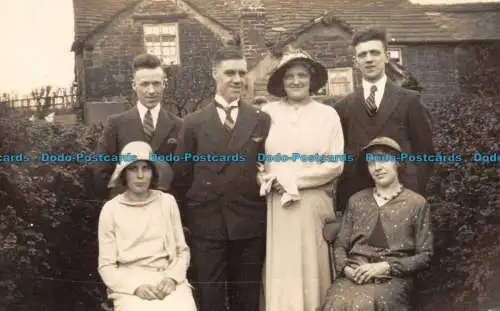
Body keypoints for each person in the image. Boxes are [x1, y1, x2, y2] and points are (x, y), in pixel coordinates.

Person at [172, 46, 271, 311]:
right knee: (211, 297)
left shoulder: (261, 119)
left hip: (248, 223)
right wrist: (191, 219)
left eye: (242, 73)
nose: (237, 79)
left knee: (247, 297)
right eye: (230, 73)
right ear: (214, 73)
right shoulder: (192, 123)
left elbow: (266, 168)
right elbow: (182, 176)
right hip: (207, 224)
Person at [258, 48, 344, 311]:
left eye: (302, 75)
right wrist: (265, 178)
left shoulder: (328, 115)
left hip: (312, 203)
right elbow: (256, 158)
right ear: (281, 81)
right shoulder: (266, 114)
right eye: (289, 76)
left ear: (312, 79)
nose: (296, 81)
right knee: (283, 266)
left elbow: (335, 164)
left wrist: (293, 180)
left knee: (311, 264)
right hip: (278, 206)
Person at [319, 136, 433, 311]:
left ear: (397, 163)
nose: (377, 168)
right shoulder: (356, 201)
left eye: (383, 161)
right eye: (371, 163)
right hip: (354, 274)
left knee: (366, 304)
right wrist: (347, 270)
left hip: (392, 278)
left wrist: (386, 267)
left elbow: (425, 256)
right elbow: (340, 246)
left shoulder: (416, 203)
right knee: (335, 303)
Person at [335, 27, 435, 214]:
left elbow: (425, 152)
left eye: (374, 52)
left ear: (386, 56)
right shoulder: (343, 106)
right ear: (356, 61)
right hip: (358, 198)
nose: (369, 59)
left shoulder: (409, 100)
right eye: (363, 54)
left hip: (402, 196)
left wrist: (414, 188)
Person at [97, 141, 196, 311]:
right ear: (124, 174)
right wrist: (135, 287)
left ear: (154, 172)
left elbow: (182, 251)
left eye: (146, 168)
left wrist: (172, 279)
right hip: (129, 284)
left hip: (166, 278)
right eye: (133, 169)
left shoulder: (167, 202)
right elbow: (106, 266)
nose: (140, 176)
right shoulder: (111, 210)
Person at [93, 53, 183, 200]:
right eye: (145, 84)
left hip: (164, 209)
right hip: (128, 209)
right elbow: (101, 171)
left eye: (156, 83)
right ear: (134, 85)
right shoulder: (116, 124)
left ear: (164, 84)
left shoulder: (180, 125)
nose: (151, 91)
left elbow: (184, 175)